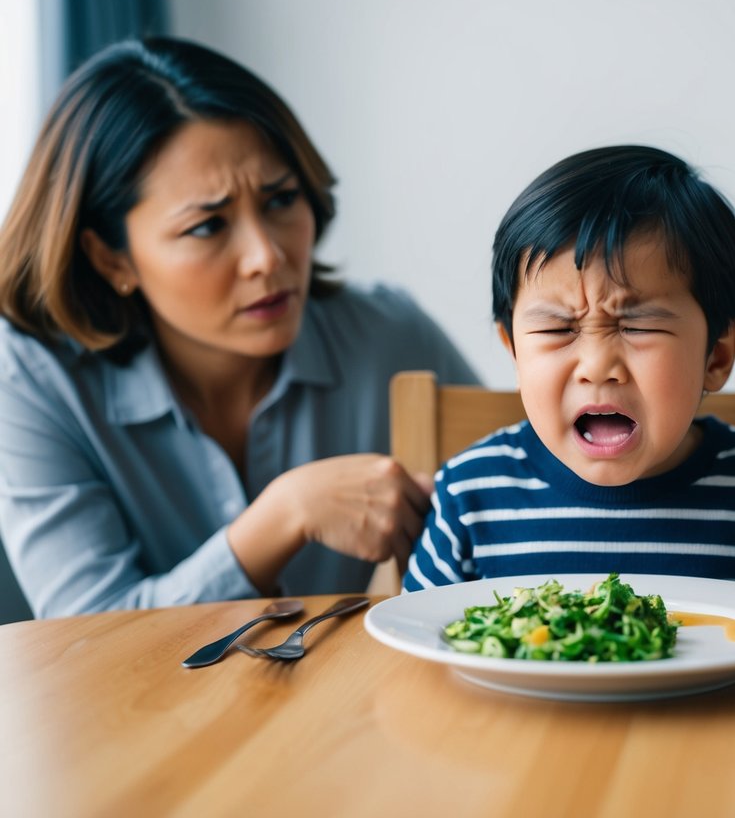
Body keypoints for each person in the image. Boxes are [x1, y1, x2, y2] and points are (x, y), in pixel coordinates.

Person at [0, 37, 478, 617]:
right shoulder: (29, 380)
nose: (267, 257)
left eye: (280, 199)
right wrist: (284, 515)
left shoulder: (391, 335)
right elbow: (86, 636)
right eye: (207, 227)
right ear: (111, 258)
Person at [404, 145, 735, 599]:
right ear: (515, 353)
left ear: (717, 356)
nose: (597, 366)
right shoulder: (470, 498)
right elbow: (413, 659)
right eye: (558, 328)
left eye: (637, 325)